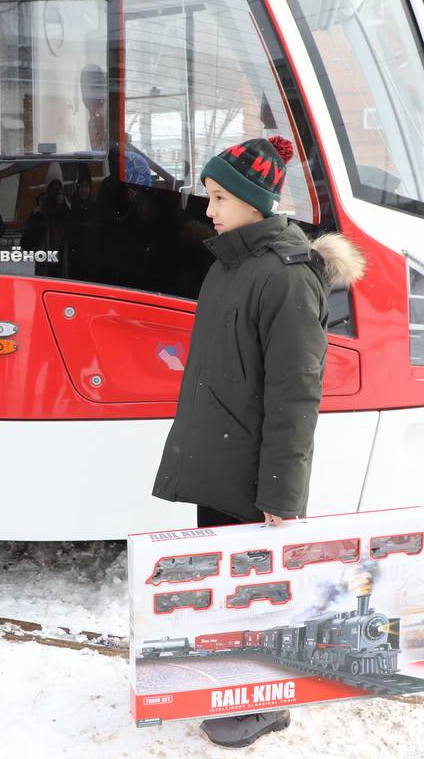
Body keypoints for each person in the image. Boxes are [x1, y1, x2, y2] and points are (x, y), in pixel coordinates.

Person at [151, 135, 365, 750]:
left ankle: (265, 704)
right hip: (219, 456)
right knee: (225, 587)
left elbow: (295, 396)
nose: (208, 210)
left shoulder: (287, 278)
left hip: (251, 472)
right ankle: (230, 684)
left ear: (253, 201)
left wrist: (281, 493)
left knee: (256, 593)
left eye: (218, 198)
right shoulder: (231, 264)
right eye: (209, 197)